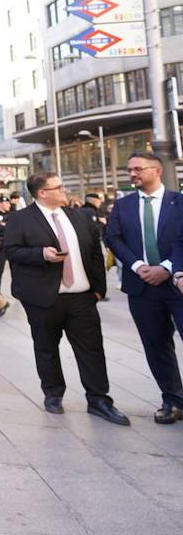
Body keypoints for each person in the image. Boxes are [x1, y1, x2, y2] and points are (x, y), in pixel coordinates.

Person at [3, 171, 128, 425]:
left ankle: (99, 400)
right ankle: (53, 394)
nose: (64, 191)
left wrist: (98, 289)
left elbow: (95, 251)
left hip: (82, 297)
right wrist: (41, 254)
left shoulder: (78, 216)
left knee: (91, 349)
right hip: (44, 298)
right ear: (42, 193)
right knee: (46, 347)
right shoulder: (21, 219)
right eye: (58, 187)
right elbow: (12, 251)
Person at [105, 152, 183, 424]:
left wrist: (167, 267)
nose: (133, 174)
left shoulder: (179, 202)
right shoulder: (123, 205)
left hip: (177, 284)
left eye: (138, 169)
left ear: (157, 170)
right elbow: (113, 238)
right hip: (142, 288)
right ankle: (173, 401)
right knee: (156, 345)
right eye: (130, 170)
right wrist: (139, 266)